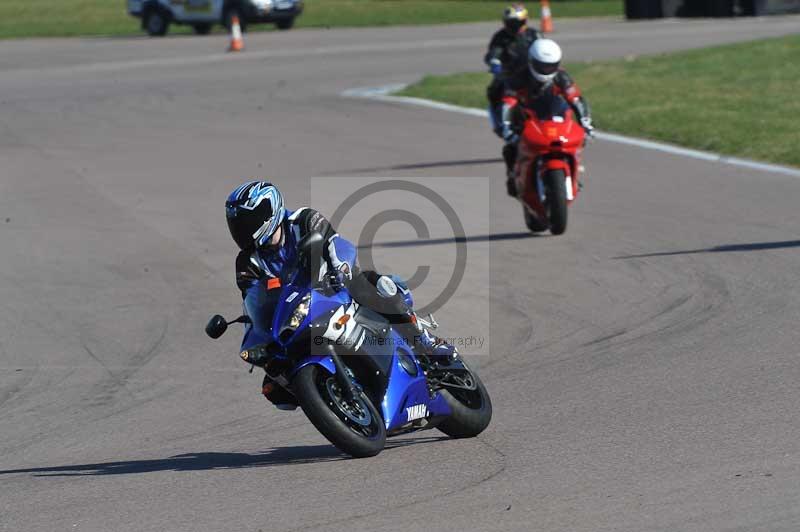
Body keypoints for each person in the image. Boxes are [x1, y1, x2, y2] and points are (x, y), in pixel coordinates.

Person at [224, 181, 457, 408]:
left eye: (248, 221)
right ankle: (334, 396)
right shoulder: (247, 261)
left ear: (269, 212)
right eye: (237, 225)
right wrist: (256, 337)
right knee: (274, 384)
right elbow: (253, 301)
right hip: (297, 312)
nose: (242, 230)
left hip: (334, 287)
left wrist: (341, 269)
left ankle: (425, 342)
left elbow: (335, 245)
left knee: (374, 285)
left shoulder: (302, 220)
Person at [501, 39, 594, 196]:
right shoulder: (518, 78)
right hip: (526, 118)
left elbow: (576, 99)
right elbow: (508, 103)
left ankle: (574, 172)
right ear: (531, 62)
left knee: (578, 139)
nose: (546, 69)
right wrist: (506, 126)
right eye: (542, 65)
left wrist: (586, 123)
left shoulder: (562, 77)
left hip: (555, 117)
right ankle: (512, 176)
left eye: (550, 66)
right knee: (510, 147)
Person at [484, 4, 542, 137]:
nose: (514, 26)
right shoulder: (500, 36)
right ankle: (499, 124)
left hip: (532, 74)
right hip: (507, 74)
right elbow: (494, 52)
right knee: (493, 92)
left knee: (551, 89)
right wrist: (494, 62)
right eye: (510, 22)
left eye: (517, 22)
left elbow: (544, 49)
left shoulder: (534, 35)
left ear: (524, 21)